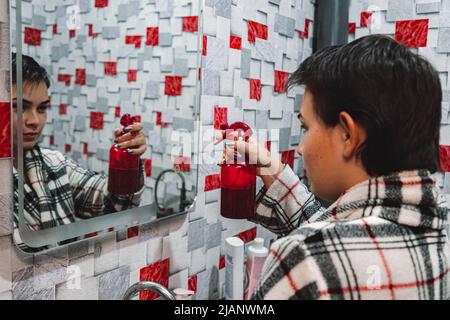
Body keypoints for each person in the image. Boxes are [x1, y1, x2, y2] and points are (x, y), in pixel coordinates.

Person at [222, 35, 450, 300]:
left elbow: (323, 251)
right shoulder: (438, 233)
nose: (301, 148)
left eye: (306, 127)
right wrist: (275, 171)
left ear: (347, 135)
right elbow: (344, 235)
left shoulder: (305, 258)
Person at [11, 54, 148, 252]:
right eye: (20, 107)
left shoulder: (53, 164)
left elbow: (114, 203)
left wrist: (128, 159)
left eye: (41, 108)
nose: (35, 120)